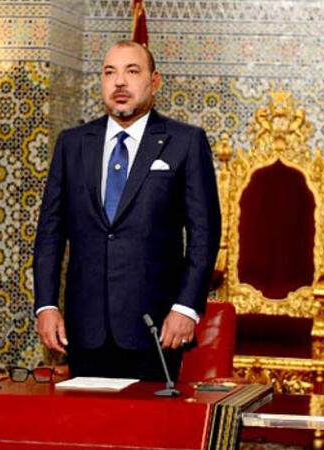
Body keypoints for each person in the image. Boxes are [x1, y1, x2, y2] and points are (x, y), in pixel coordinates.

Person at [33, 40, 221, 381]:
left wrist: (186, 307)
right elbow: (50, 233)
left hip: (157, 329)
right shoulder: (72, 143)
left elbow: (204, 234)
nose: (119, 81)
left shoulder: (185, 142)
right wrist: (45, 306)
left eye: (132, 71)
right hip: (84, 331)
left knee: (150, 416)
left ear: (154, 81)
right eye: (110, 72)